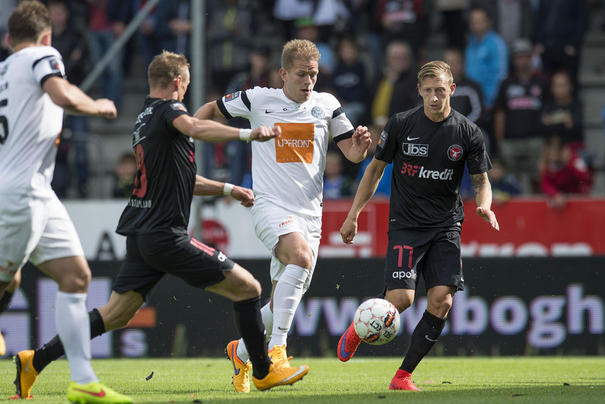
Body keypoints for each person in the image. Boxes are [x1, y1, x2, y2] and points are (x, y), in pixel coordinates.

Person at [12, 50, 309, 398]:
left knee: (115, 315)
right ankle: (262, 372)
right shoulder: (171, 111)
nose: (184, 96)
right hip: (165, 235)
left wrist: (228, 188)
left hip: (140, 234)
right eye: (184, 89)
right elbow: (196, 127)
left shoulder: (143, 120)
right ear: (178, 83)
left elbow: (182, 180)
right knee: (249, 289)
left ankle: (34, 361)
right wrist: (248, 134)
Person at [195, 38, 372, 393]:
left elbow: (351, 154)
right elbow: (207, 112)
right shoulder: (258, 98)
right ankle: (277, 352)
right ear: (283, 74)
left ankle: (242, 351)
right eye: (301, 75)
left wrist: (361, 145)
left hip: (311, 215)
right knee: (300, 259)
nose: (309, 82)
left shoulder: (327, 105)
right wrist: (184, 136)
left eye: (314, 75)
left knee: (281, 301)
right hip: (269, 206)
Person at [336, 61, 499, 391]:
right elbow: (374, 171)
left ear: (451, 90)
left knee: (443, 300)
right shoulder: (401, 124)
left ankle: (403, 375)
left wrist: (485, 204)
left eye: (441, 90)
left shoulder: (468, 132)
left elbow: (482, 180)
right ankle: (359, 327)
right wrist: (353, 214)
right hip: (406, 225)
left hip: (446, 226)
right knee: (401, 300)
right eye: (429, 92)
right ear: (420, 92)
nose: (435, 98)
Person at [0, 1, 130, 402]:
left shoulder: (4, 70)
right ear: (46, 36)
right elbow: (62, 95)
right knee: (5, 283)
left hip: (36, 191)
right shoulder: (43, 54)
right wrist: (98, 105)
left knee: (76, 277)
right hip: (21, 194)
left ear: (8, 39)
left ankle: (83, 381)